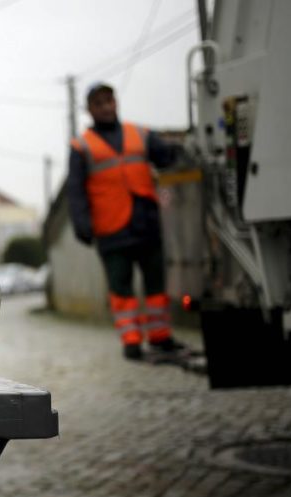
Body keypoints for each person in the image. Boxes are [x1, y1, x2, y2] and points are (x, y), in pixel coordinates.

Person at [66, 82, 185, 361]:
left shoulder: (140, 135)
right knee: (121, 290)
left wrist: (180, 152)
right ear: (89, 109)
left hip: (146, 222)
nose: (106, 106)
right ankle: (131, 342)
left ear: (116, 102)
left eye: (109, 100)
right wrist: (83, 225)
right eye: (99, 103)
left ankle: (160, 336)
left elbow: (167, 155)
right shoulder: (81, 146)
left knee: (156, 286)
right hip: (111, 229)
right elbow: (75, 190)